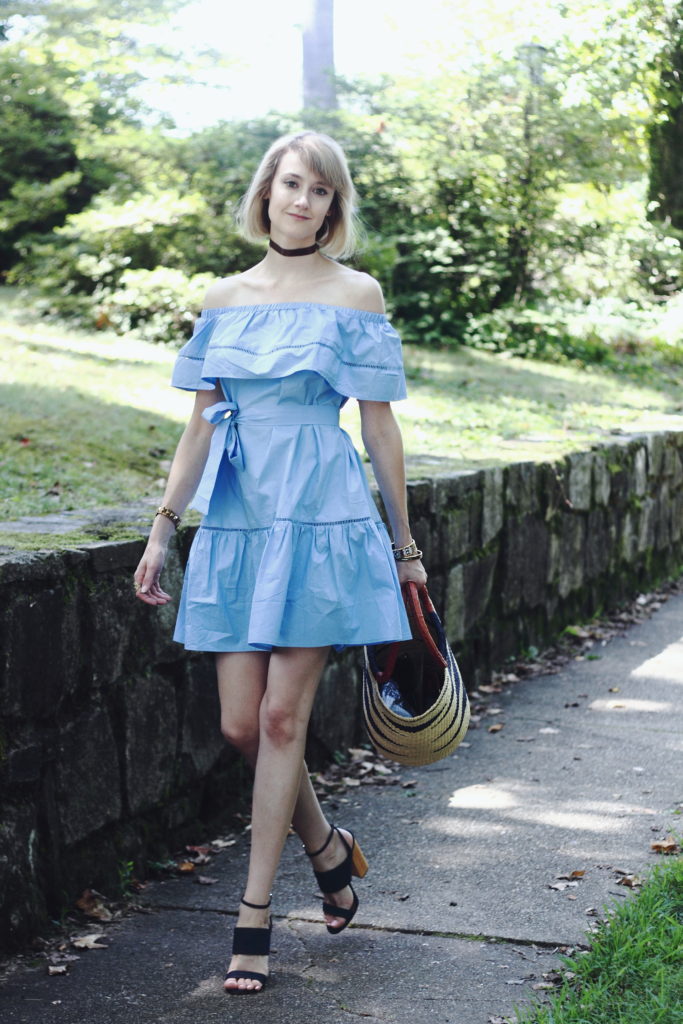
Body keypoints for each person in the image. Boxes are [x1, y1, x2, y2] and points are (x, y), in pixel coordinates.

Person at [133, 130, 427, 994]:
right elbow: (199, 424)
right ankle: (326, 847)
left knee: (280, 725)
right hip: (238, 515)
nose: (304, 201)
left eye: (322, 191)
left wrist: (402, 545)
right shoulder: (224, 297)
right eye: (292, 184)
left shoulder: (356, 293)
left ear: (334, 206)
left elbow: (378, 427)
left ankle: (253, 919)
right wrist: (161, 529)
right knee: (238, 724)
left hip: (321, 514)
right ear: (266, 191)